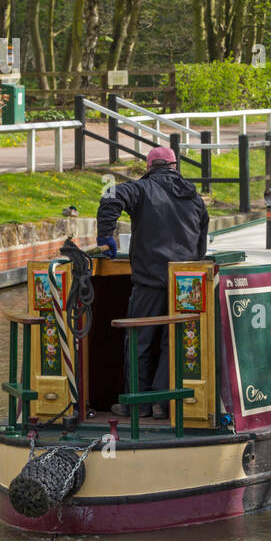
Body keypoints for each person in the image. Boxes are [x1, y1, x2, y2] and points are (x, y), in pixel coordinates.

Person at [96, 145, 209, 419]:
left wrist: (105, 236)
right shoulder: (194, 199)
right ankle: (163, 404)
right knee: (175, 344)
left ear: (149, 168)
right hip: (185, 284)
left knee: (139, 341)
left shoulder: (142, 189)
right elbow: (201, 243)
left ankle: (138, 404)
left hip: (149, 280)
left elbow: (110, 195)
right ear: (174, 167)